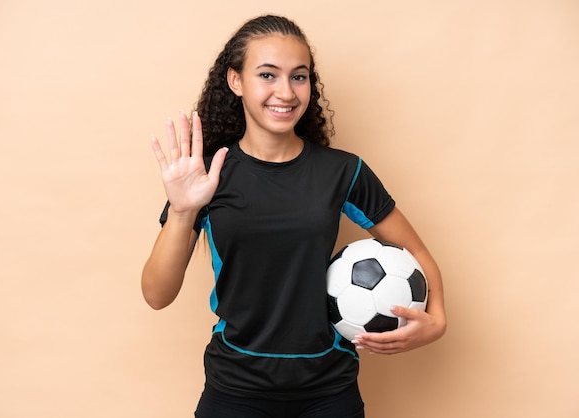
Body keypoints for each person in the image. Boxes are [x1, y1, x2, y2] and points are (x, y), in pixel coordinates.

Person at [142, 15, 446, 418]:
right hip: (235, 386)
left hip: (328, 390)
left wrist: (437, 321)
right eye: (267, 75)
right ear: (236, 81)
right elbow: (156, 296)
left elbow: (415, 250)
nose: (285, 92)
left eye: (298, 77)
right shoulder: (208, 174)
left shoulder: (343, 171)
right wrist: (183, 210)